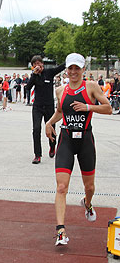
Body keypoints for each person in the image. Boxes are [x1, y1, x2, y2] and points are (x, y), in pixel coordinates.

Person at [45, 53, 112, 246]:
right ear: (66, 69)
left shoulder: (91, 87)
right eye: (70, 68)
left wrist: (88, 107)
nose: (73, 72)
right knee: (61, 187)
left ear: (83, 69)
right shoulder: (60, 90)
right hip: (66, 139)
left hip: (85, 141)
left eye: (77, 68)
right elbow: (60, 111)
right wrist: (49, 123)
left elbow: (108, 108)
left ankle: (88, 204)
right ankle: (60, 231)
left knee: (89, 187)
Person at [26, 55, 65, 164]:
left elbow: (61, 67)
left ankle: (52, 146)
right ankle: (37, 155)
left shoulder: (49, 72)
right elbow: (28, 88)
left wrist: (71, 60)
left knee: (51, 127)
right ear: (33, 67)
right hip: (37, 106)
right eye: (35, 65)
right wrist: (34, 75)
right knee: (36, 129)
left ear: (42, 64)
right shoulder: (34, 76)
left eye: (39, 63)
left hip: (49, 106)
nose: (37, 66)